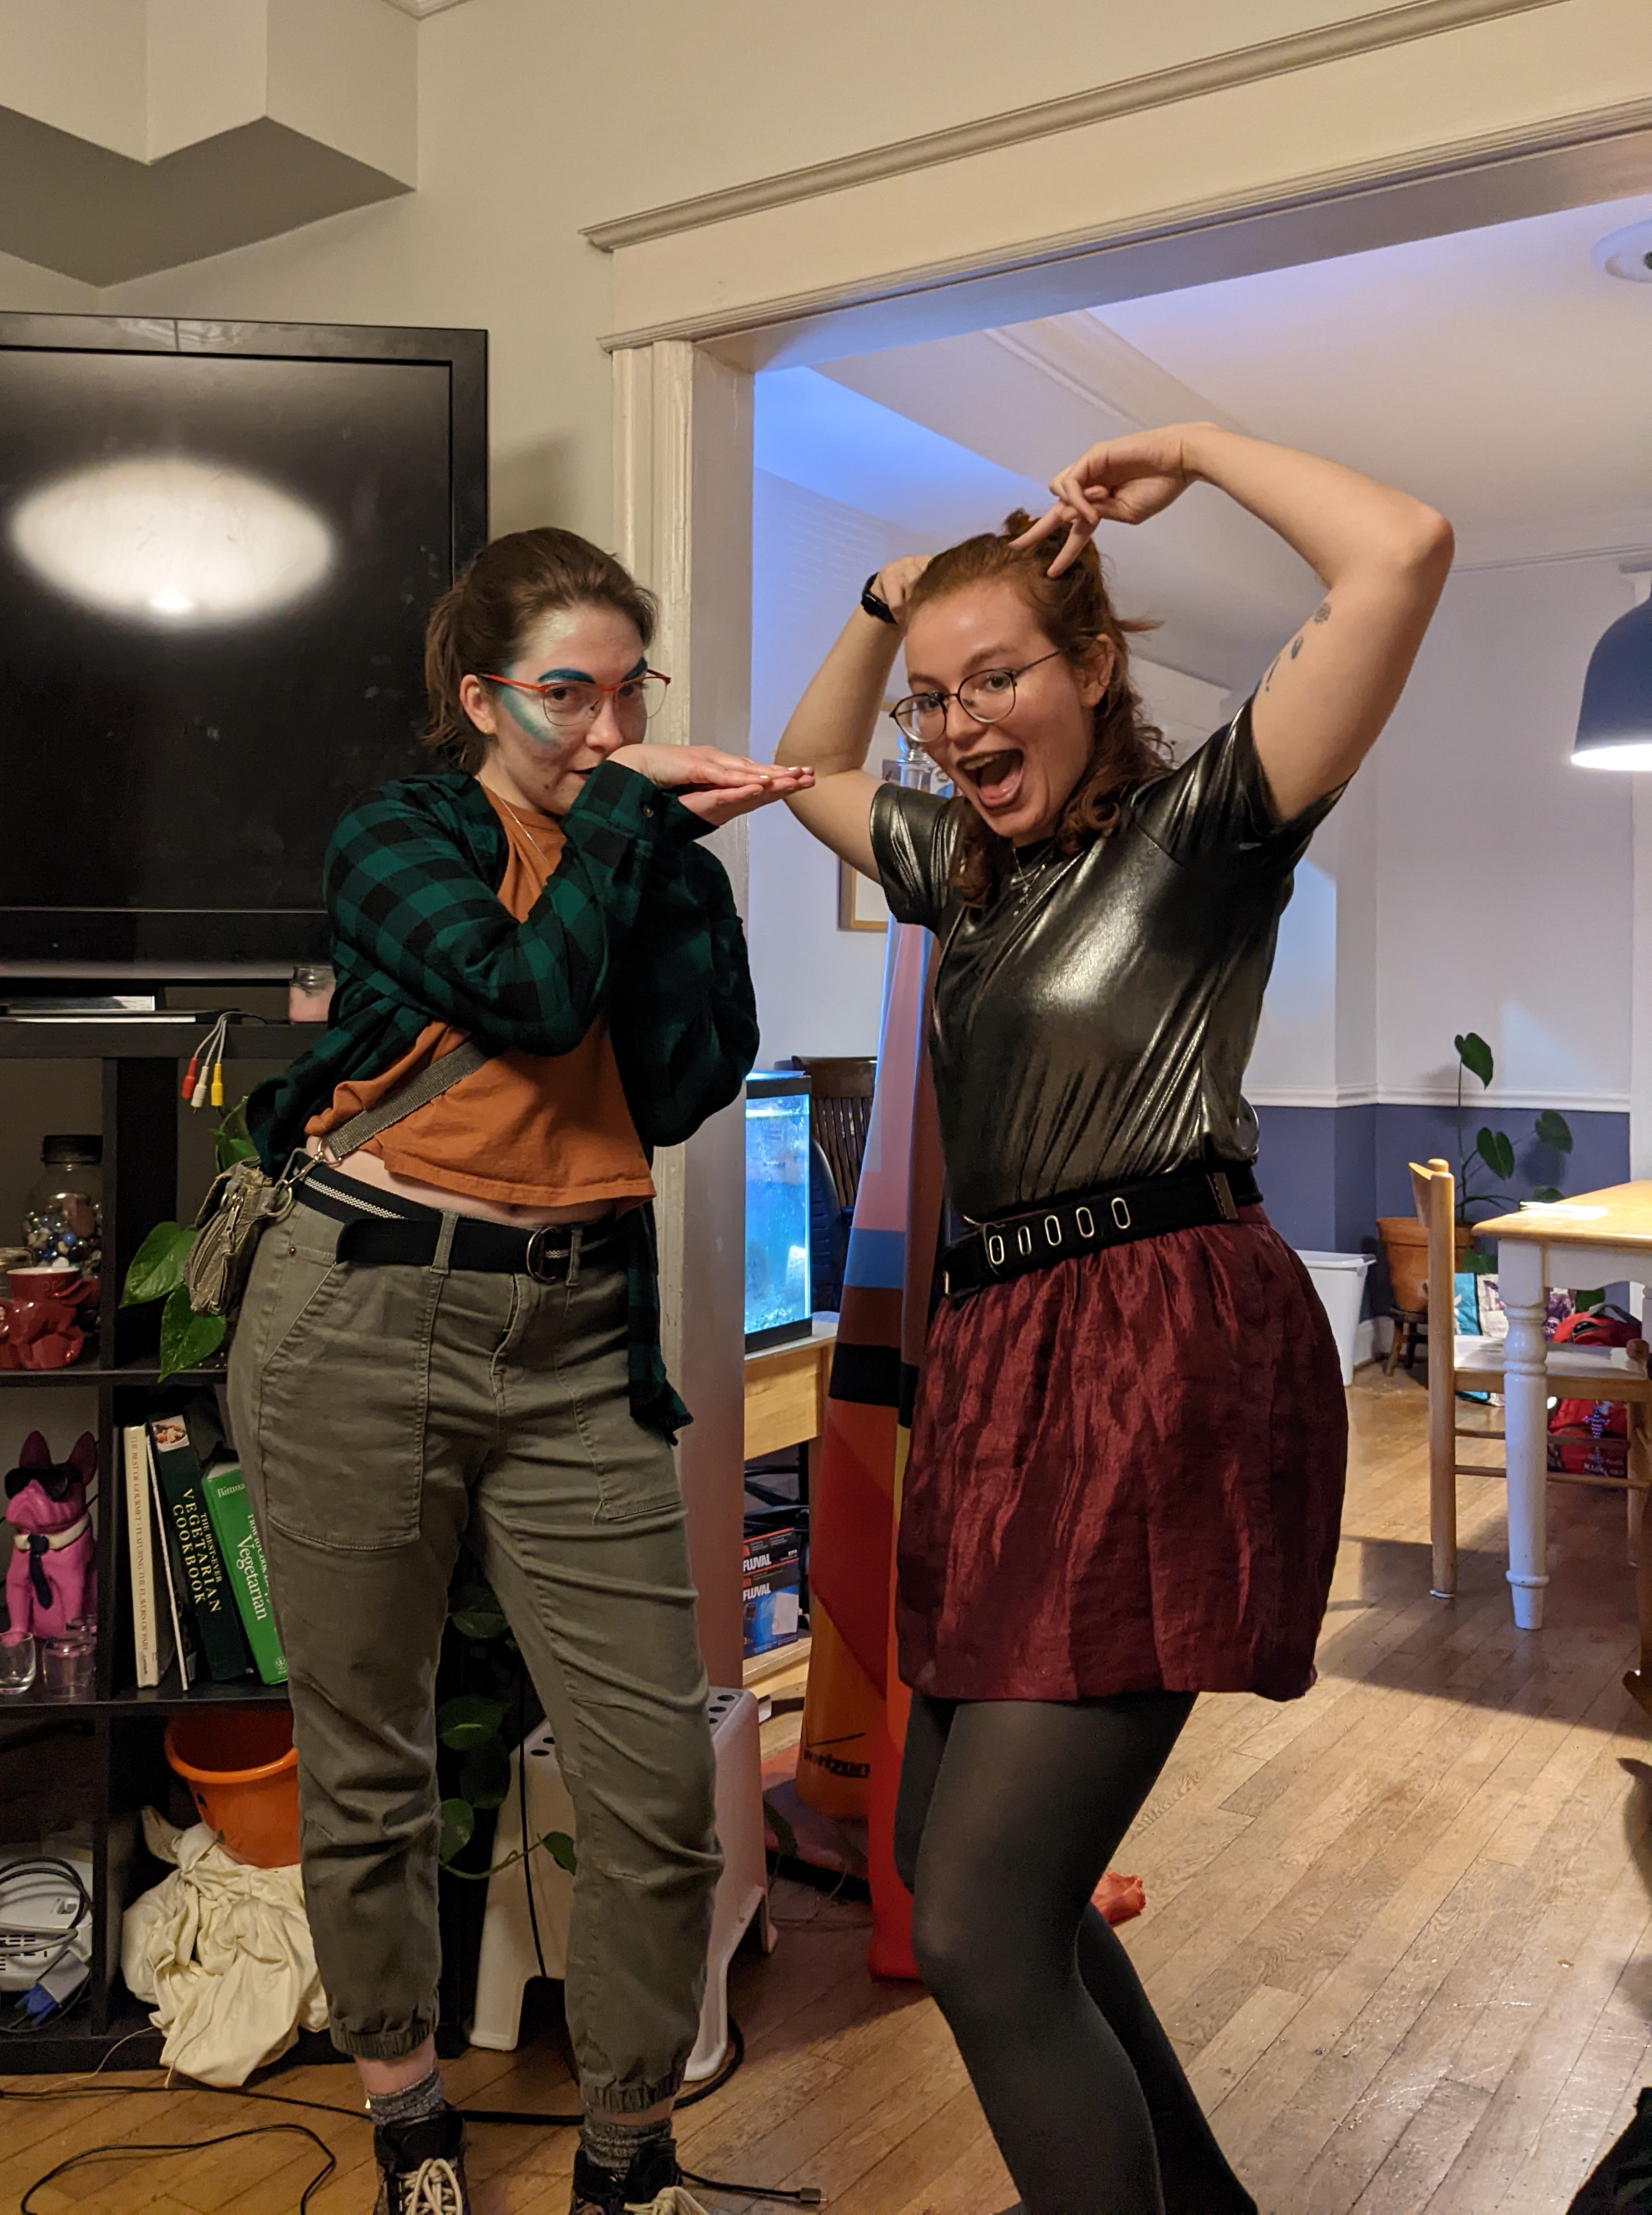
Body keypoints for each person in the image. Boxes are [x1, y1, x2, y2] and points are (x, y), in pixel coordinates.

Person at [777, 425, 1451, 2214]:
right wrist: (886, 599)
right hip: (1000, 1366)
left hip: (1154, 1353)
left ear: (1091, 669)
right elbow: (799, 765)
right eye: (935, 699)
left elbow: (1401, 547)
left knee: (989, 1934)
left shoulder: (1206, 829)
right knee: (953, 1859)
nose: (954, 727)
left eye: (996, 678)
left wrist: (1200, 454)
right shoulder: (967, 882)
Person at [231, 527, 811, 2215]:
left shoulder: (639, 851)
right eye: (570, 693)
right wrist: (628, 832)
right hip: (358, 1317)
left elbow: (689, 1080)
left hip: (574, 1345)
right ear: (483, 697)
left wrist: (670, 875)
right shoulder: (400, 838)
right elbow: (527, 996)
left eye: (632, 695)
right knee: (369, 1750)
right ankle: (411, 2115)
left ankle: (626, 2162)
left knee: (654, 1781)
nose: (609, 732)